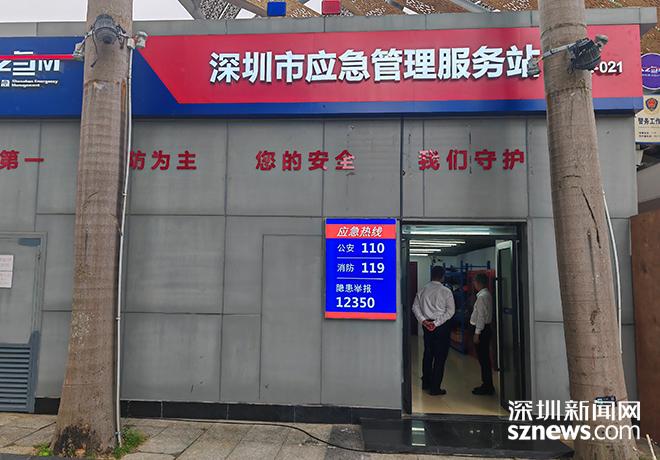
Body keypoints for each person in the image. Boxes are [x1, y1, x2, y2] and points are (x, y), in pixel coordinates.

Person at [412, 266, 455, 396]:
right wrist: (436, 323)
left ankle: (426, 383)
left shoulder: (423, 290)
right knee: (440, 357)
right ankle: (435, 388)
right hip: (441, 327)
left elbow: (415, 307)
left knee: (428, 354)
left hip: (427, 327)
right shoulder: (446, 291)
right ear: (442, 277)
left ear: (431, 275)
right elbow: (450, 311)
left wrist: (424, 321)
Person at [470, 273, 494, 395]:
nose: (474, 284)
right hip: (486, 328)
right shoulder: (486, 295)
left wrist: (477, 333)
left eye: (474, 282)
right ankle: (487, 384)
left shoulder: (481, 297)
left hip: (482, 330)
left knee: (483, 359)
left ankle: (487, 386)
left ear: (478, 283)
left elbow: (481, 316)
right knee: (484, 359)